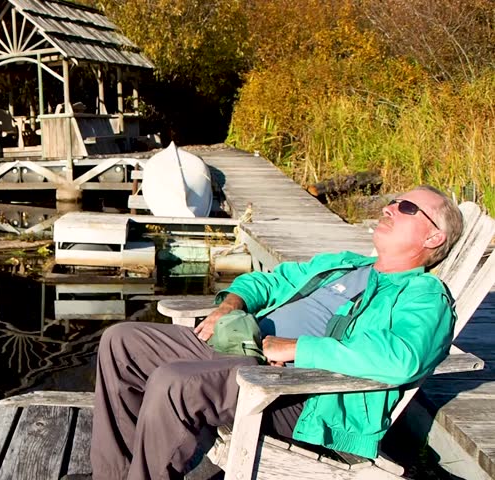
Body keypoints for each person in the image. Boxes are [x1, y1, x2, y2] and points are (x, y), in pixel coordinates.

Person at [88, 185, 464, 480]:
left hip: (294, 390)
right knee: (121, 342)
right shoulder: (345, 264)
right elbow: (270, 281)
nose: (390, 208)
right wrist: (231, 304)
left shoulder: (424, 295)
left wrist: (298, 349)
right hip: (242, 344)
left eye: (408, 208)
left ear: (433, 239)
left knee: (175, 383)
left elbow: (401, 357)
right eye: (395, 201)